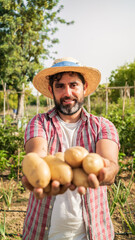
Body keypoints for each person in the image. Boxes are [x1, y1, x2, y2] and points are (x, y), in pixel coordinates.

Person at [22, 57, 120, 240]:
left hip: (94, 234)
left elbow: (111, 165)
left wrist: (105, 170)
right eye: (60, 86)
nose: (68, 93)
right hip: (43, 234)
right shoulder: (39, 122)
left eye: (74, 85)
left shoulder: (102, 126)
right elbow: (37, 154)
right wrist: (37, 172)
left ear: (85, 87)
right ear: (51, 90)